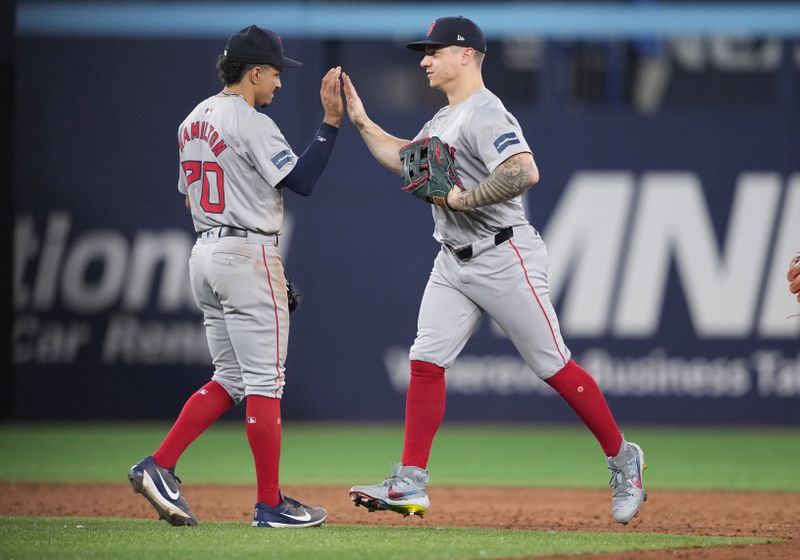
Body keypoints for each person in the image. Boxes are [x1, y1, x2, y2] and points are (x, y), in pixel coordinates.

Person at [343, 16, 646, 525]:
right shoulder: (442, 120)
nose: (424, 60)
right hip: (453, 260)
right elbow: (404, 160)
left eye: (434, 51)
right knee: (426, 360)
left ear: (466, 55)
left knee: (553, 366)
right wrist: (359, 120)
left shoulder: (486, 113)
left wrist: (465, 197)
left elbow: (523, 170)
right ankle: (409, 482)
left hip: (504, 256)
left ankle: (623, 459)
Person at [128, 25, 343, 529]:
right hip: (246, 253)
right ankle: (270, 504)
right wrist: (330, 123)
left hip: (204, 252)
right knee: (266, 383)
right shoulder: (250, 121)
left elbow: (189, 196)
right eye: (274, 73)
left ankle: (158, 466)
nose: (279, 83)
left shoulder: (191, 119)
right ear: (252, 73)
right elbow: (303, 181)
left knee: (230, 378)